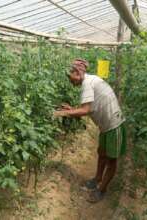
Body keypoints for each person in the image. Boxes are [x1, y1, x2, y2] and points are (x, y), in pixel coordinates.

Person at [53, 58, 126, 203]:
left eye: (70, 76)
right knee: (102, 153)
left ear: (77, 72)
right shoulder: (90, 81)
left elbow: (85, 110)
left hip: (114, 125)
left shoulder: (87, 84)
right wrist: (72, 110)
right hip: (106, 126)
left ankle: (102, 189)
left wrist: (62, 113)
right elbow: (89, 107)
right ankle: (97, 179)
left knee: (111, 160)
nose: (70, 80)